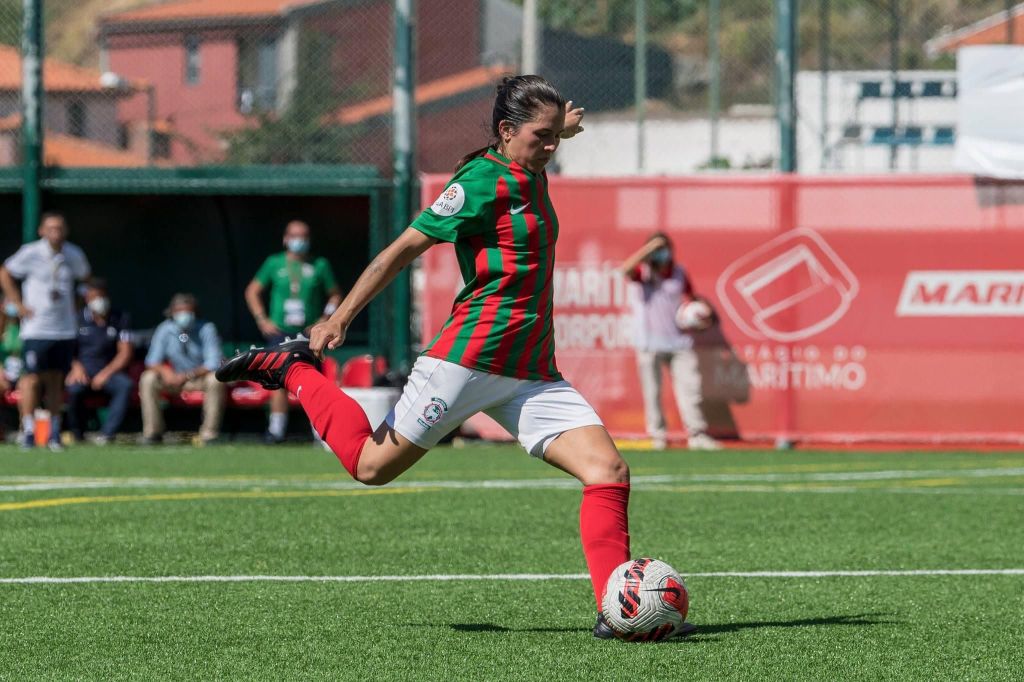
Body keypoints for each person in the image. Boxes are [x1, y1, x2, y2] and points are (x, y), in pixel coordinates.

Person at [216, 75, 694, 640]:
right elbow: (399, 252)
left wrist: (558, 130)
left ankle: (615, 610)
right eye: (540, 136)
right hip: (466, 361)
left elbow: (543, 138)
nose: (550, 146)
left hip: (531, 372)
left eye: (554, 136)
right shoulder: (479, 183)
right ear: (506, 131)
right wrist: (339, 316)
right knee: (370, 467)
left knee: (608, 472)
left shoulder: (532, 161)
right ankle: (293, 370)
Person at [619, 233, 721, 451]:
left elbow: (692, 299)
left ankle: (697, 434)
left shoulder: (679, 273)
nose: (662, 253)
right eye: (657, 250)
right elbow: (625, 269)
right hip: (649, 343)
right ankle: (658, 436)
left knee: (691, 390)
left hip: (679, 342)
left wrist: (702, 314)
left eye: (664, 249)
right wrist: (648, 250)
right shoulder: (643, 272)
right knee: (652, 392)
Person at [244, 220, 342, 443]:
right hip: (279, 331)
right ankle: (276, 430)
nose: (299, 241)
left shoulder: (320, 265)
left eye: (303, 236)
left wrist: (324, 319)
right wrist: (262, 319)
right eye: (295, 236)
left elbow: (335, 295)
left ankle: (319, 432)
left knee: (313, 381)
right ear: (286, 239)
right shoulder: (274, 263)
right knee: (277, 379)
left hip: (308, 333)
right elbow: (252, 291)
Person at [0, 212, 91, 451]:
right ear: (41, 230)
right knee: (31, 379)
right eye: (51, 228)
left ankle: (54, 432)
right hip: (36, 329)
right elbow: (5, 273)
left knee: (55, 380)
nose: (55, 232)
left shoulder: (73, 254)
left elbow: (85, 279)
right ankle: (28, 430)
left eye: (59, 228)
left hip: (64, 329)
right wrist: (18, 304)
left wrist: (77, 303)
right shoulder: (30, 253)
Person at [139, 293, 224, 445]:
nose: (184, 315)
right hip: (173, 379)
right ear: (172, 312)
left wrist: (187, 375)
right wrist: (166, 372)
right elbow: (151, 361)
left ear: (195, 312)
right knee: (148, 378)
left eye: (188, 311)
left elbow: (213, 362)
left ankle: (209, 434)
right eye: (179, 311)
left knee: (215, 379)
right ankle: (153, 433)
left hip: (198, 378)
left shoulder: (206, 328)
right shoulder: (165, 328)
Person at [65, 279, 135, 445]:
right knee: (74, 389)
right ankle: (77, 434)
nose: (99, 301)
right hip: (83, 371)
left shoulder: (120, 318)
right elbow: (66, 350)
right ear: (87, 299)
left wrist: (105, 374)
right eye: (94, 297)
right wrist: (76, 367)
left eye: (101, 296)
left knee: (125, 385)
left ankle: (107, 434)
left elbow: (125, 352)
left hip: (109, 372)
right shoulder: (76, 319)